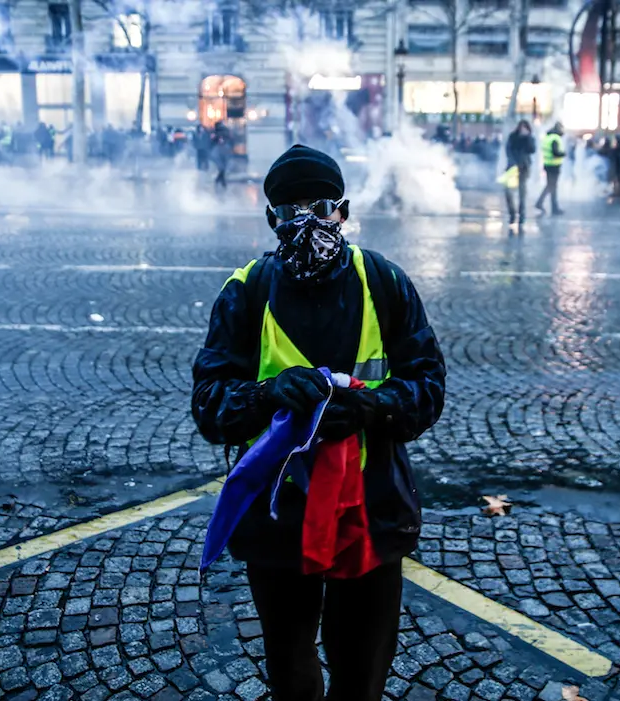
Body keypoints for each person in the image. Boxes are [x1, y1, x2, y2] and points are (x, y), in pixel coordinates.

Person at [191, 144, 446, 701]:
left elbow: (429, 388)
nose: (307, 220)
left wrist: (373, 406)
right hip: (276, 521)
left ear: (344, 211)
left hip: (370, 514)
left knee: (361, 673)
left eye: (321, 205)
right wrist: (266, 395)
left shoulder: (385, 282)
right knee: (289, 664)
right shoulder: (245, 292)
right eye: (290, 210)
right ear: (270, 219)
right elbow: (210, 407)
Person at [505, 120, 536, 226]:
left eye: (525, 127)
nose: (523, 129)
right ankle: (512, 213)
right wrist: (512, 163)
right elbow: (508, 150)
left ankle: (522, 214)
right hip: (512, 168)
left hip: (524, 167)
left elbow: (532, 150)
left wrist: (527, 138)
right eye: (521, 127)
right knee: (508, 192)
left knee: (522, 193)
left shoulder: (529, 138)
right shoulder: (512, 137)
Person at [535, 122, 565, 216]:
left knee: (551, 186)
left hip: (548, 164)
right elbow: (555, 152)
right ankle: (548, 206)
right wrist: (563, 154)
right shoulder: (555, 138)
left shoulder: (548, 137)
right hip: (554, 166)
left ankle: (550, 206)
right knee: (552, 186)